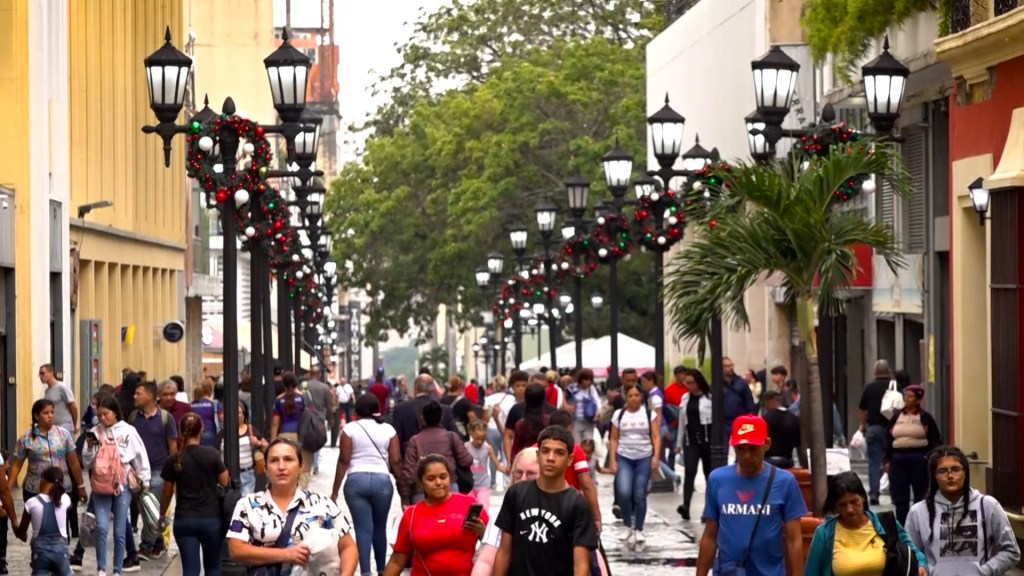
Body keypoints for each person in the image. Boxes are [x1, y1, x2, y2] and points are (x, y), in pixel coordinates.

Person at [696, 415, 808, 576]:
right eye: (741, 449)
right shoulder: (717, 480)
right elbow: (710, 535)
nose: (747, 455)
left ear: (766, 444)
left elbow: (794, 540)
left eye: (753, 448)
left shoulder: (784, 482)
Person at [228, 438, 358, 575]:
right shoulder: (248, 505)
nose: (281, 467)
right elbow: (236, 550)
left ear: (301, 465)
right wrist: (286, 554)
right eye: (274, 460)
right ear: (265, 468)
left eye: (288, 459)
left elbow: (348, 546)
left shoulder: (321, 504)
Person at [493, 426, 599, 576]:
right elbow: (504, 552)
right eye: (545, 451)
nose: (550, 458)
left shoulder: (577, 505)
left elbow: (581, 567)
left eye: (559, 453)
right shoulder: (516, 493)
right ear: (538, 455)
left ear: (569, 459)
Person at [904, 446, 1021, 575]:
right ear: (934, 475)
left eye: (955, 469)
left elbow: (1011, 551)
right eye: (943, 471)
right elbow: (910, 555)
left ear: (965, 472)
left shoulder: (988, 506)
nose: (950, 475)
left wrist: (984, 571)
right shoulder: (918, 512)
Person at [805, 471, 927, 576]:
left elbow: (914, 552)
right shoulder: (825, 533)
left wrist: (922, 566)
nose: (850, 510)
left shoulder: (885, 523)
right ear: (835, 506)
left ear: (863, 497)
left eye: (854, 502)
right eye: (842, 504)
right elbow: (812, 572)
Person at [383, 454, 487, 576]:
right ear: (421, 483)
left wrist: (483, 531)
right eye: (431, 479)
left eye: (443, 477)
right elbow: (397, 561)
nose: (438, 482)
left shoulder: (468, 504)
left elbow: (494, 545)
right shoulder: (411, 515)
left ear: (450, 478)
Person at [331, 394, 400, 576]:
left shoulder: (350, 429)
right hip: (382, 483)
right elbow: (396, 460)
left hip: (355, 482)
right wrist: (402, 485)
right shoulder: (389, 430)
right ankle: (381, 570)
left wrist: (335, 491)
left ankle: (366, 572)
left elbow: (344, 460)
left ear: (358, 409)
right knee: (380, 528)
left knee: (362, 529)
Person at [82, 395, 151, 576]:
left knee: (120, 530)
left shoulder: (129, 431)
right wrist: (89, 448)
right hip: (100, 485)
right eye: (100, 415)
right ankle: (101, 568)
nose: (102, 418)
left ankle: (117, 570)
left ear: (115, 412)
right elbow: (87, 461)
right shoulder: (95, 432)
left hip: (123, 484)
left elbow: (140, 456)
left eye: (106, 414)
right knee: (102, 527)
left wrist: (145, 481)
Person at [159, 412, 230, 576]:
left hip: (185, 519)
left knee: (190, 570)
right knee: (213, 568)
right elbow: (226, 481)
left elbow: (166, 493)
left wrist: (162, 515)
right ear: (202, 430)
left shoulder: (174, 460)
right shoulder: (212, 454)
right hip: (211, 519)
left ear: (180, 430)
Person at [129, 380, 178, 558]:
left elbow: (173, 446)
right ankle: (158, 542)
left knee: (152, 509)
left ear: (150, 396)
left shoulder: (166, 418)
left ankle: (146, 545)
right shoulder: (134, 417)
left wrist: (172, 471)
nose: (135, 397)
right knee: (145, 508)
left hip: (159, 470)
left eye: (138, 393)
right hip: (139, 471)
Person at [473, 446, 540, 576]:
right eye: (518, 473)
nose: (523, 479)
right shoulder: (503, 513)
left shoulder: (563, 507)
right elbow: (486, 561)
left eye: (530, 474)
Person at [608, 383, 659, 548]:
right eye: (630, 395)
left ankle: (639, 528)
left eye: (637, 395)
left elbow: (656, 436)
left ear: (641, 397)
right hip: (624, 457)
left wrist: (656, 457)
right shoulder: (619, 415)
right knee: (623, 491)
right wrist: (612, 460)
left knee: (639, 494)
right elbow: (613, 438)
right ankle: (627, 524)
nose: (634, 398)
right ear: (625, 397)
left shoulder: (649, 414)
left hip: (644, 457)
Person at [885, 383, 942, 523]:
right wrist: (887, 460)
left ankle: (919, 525)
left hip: (918, 459)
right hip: (898, 459)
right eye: (906, 396)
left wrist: (927, 456)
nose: (907, 398)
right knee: (900, 498)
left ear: (917, 400)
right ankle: (901, 527)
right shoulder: (896, 416)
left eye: (910, 396)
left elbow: (935, 440)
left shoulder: (925, 418)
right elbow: (887, 439)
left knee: (920, 496)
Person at [399, 401, 473, 506]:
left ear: (422, 418)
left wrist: (405, 498)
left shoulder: (415, 441)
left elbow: (408, 472)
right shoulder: (451, 437)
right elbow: (466, 461)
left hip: (422, 491)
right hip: (449, 487)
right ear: (441, 417)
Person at [16, 466, 73, 576]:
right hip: (60, 551)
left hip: (40, 552)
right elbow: (69, 508)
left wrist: (18, 530)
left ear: (42, 480)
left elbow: (22, 530)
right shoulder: (66, 499)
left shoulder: (31, 503)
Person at [675, 368, 713, 521]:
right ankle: (686, 505)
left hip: (707, 439)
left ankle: (708, 508)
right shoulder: (685, 398)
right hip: (690, 439)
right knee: (689, 471)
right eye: (687, 383)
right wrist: (678, 443)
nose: (689, 386)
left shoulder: (709, 398)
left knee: (709, 474)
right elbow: (681, 422)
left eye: (692, 383)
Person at [858, 359, 896, 505]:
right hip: (892, 430)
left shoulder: (869, 387)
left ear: (875, 372)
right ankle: (894, 492)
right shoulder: (895, 387)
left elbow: (863, 410)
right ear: (889, 372)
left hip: (873, 428)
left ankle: (874, 493)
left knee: (874, 462)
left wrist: (863, 426)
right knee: (892, 461)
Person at [392, 374, 458, 458]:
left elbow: (396, 442)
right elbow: (455, 439)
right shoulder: (445, 410)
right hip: (441, 464)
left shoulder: (401, 410)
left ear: (415, 389)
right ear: (433, 389)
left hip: (411, 463)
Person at [272, 372, 314, 486]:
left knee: (286, 465)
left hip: (284, 435)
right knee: (304, 466)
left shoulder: (278, 400)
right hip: (302, 436)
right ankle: (302, 491)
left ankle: (288, 489)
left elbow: (275, 423)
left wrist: (273, 441)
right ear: (296, 383)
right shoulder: (303, 397)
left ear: (283, 385)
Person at [222, 403, 267, 496]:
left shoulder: (250, 429)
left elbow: (267, 445)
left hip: (247, 474)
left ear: (244, 414)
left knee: (246, 501)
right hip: (230, 475)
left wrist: (258, 443)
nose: (236, 415)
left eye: (238, 412)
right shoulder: (224, 431)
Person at [465, 420, 507, 508]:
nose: (480, 441)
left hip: (483, 484)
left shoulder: (488, 448)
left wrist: (506, 470)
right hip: (469, 485)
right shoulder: (466, 447)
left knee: (483, 508)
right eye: (477, 438)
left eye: (483, 439)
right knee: (468, 509)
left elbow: (497, 464)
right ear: (471, 434)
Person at [509, 383, 550, 461]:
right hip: (545, 460)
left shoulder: (521, 424)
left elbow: (516, 449)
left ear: (526, 399)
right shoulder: (549, 421)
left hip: (526, 460)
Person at [762, 390, 801, 469]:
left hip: (769, 461)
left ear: (769, 402)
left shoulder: (766, 418)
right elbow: (798, 442)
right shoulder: (793, 418)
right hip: (787, 460)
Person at [721, 357, 756, 444]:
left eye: (731, 365)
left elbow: (749, 402)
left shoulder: (741, 383)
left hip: (740, 422)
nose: (731, 368)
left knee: (742, 449)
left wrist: (751, 419)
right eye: (727, 366)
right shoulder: (717, 383)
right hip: (724, 423)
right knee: (723, 451)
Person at [40, 364, 79, 436]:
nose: (41, 377)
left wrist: (74, 424)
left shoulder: (62, 387)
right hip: (53, 428)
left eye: (43, 373)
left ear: (51, 372)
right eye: (39, 374)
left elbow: (73, 407)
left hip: (65, 427)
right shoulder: (47, 391)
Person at [569, 369, 601, 443]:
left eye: (590, 380)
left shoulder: (591, 388)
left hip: (588, 420)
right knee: (576, 443)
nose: (588, 382)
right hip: (575, 420)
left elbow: (597, 401)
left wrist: (598, 413)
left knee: (588, 443)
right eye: (586, 380)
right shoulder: (572, 388)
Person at [190, 378, 223, 449]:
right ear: (211, 389)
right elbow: (222, 418)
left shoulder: (192, 404)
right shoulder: (215, 404)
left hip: (194, 435)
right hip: (210, 434)